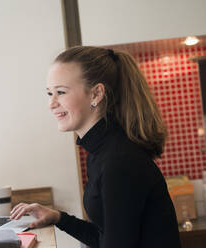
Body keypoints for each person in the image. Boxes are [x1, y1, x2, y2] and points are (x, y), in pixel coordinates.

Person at [10, 46, 181, 248]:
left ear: (96, 94)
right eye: (49, 93)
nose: (51, 103)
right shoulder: (101, 153)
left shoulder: (118, 161)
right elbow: (107, 238)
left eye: (61, 92)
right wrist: (58, 218)